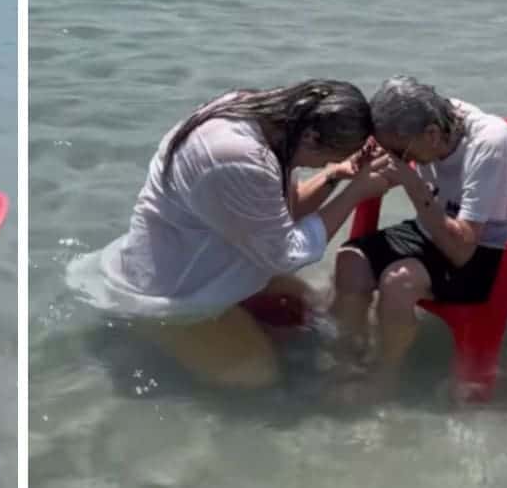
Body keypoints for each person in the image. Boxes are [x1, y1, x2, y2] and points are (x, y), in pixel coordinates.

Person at [70, 79, 392, 389]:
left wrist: (335, 175)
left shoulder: (269, 120)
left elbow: (283, 214)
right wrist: (355, 194)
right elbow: (285, 255)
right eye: (328, 157)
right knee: (258, 377)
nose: (321, 165)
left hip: (211, 255)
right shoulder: (237, 159)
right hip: (174, 293)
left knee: (310, 305)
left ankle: (233, 327)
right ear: (310, 137)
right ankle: (146, 334)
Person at [330, 76, 507, 400]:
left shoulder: (489, 145)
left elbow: (461, 251)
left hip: (502, 251)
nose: (394, 158)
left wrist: (412, 184)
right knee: (350, 261)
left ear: (431, 134)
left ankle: (386, 375)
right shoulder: (436, 123)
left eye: (397, 152)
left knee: (398, 282)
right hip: (440, 226)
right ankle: (348, 357)